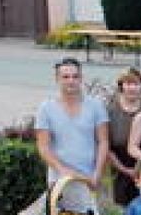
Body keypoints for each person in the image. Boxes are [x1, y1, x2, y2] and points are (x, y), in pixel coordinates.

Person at [34, 58, 110, 195]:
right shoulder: (46, 108)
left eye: (75, 76)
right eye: (66, 77)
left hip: (88, 178)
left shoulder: (96, 106)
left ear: (81, 79)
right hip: (58, 180)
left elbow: (103, 141)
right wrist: (62, 169)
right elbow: (43, 147)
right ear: (57, 79)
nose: (71, 81)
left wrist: (98, 173)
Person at [106, 68, 141, 206]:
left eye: (136, 84)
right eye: (128, 83)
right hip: (121, 170)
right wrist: (124, 170)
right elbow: (107, 147)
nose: (132, 88)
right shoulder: (111, 111)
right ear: (121, 86)